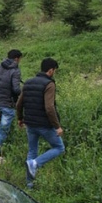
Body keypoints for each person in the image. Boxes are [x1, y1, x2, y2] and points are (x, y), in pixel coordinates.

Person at [16, 58, 65, 189]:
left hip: (30, 123)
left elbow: (19, 103)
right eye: (54, 70)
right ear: (50, 70)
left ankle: (29, 184)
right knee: (59, 148)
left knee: (32, 151)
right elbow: (49, 107)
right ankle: (36, 164)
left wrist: (20, 118)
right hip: (44, 125)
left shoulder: (28, 83)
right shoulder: (49, 84)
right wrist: (57, 126)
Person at [0, 49, 23, 157]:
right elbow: (16, 89)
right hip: (8, 103)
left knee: (2, 128)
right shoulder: (15, 70)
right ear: (16, 58)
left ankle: (0, 150)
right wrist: (22, 92)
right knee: (3, 131)